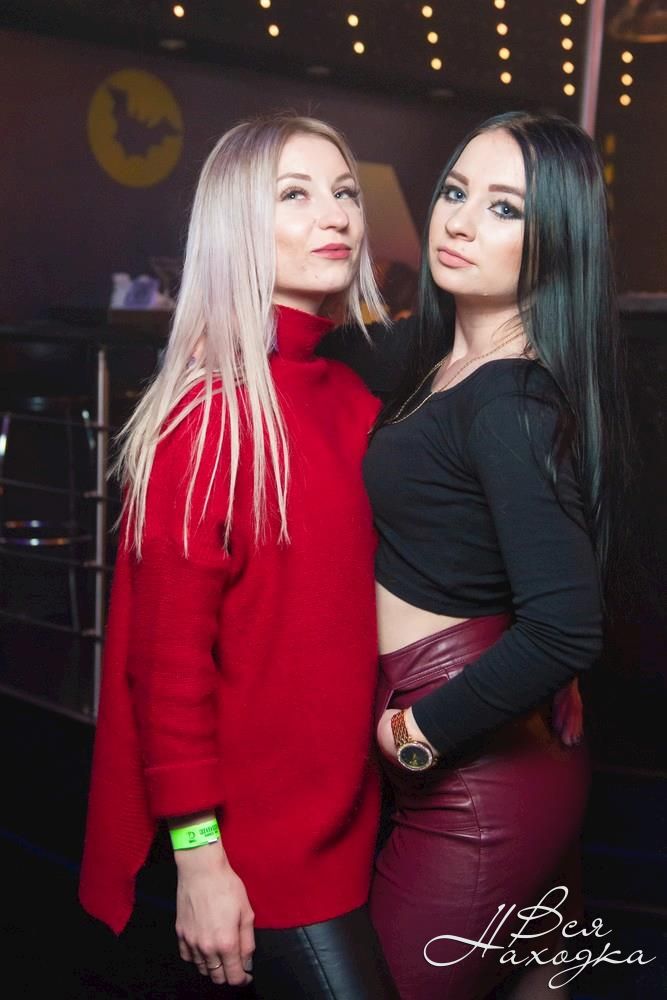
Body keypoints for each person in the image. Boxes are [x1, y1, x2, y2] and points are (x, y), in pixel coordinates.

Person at [78, 112, 399, 999]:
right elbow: (166, 669)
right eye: (293, 194)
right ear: (236, 225)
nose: (335, 214)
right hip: (255, 851)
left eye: (343, 191)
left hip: (356, 816)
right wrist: (199, 859)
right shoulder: (209, 417)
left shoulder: (352, 398)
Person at [360, 111, 629, 999]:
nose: (460, 221)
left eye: (504, 208)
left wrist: (417, 736)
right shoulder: (444, 367)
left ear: (556, 242)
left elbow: (564, 629)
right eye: (454, 191)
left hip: (474, 775)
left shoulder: (509, 400)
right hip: (497, 747)